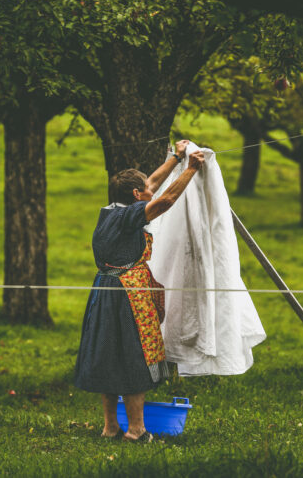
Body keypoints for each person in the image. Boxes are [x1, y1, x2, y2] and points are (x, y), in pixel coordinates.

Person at [73, 140, 205, 442]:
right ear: (135, 196)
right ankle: (136, 430)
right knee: (133, 356)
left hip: (105, 291)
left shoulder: (111, 212)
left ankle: (110, 428)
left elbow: (154, 183)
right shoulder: (130, 215)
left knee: (108, 355)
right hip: (127, 294)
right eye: (145, 188)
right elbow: (165, 200)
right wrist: (192, 170)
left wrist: (174, 158)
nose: (152, 188)